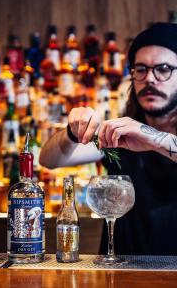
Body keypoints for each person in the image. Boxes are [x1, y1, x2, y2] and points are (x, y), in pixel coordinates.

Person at [39, 22, 177, 255]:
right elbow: (49, 159)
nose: (150, 79)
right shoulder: (120, 133)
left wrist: (152, 137)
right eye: (140, 69)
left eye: (163, 69)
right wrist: (72, 132)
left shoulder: (135, 132)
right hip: (121, 273)